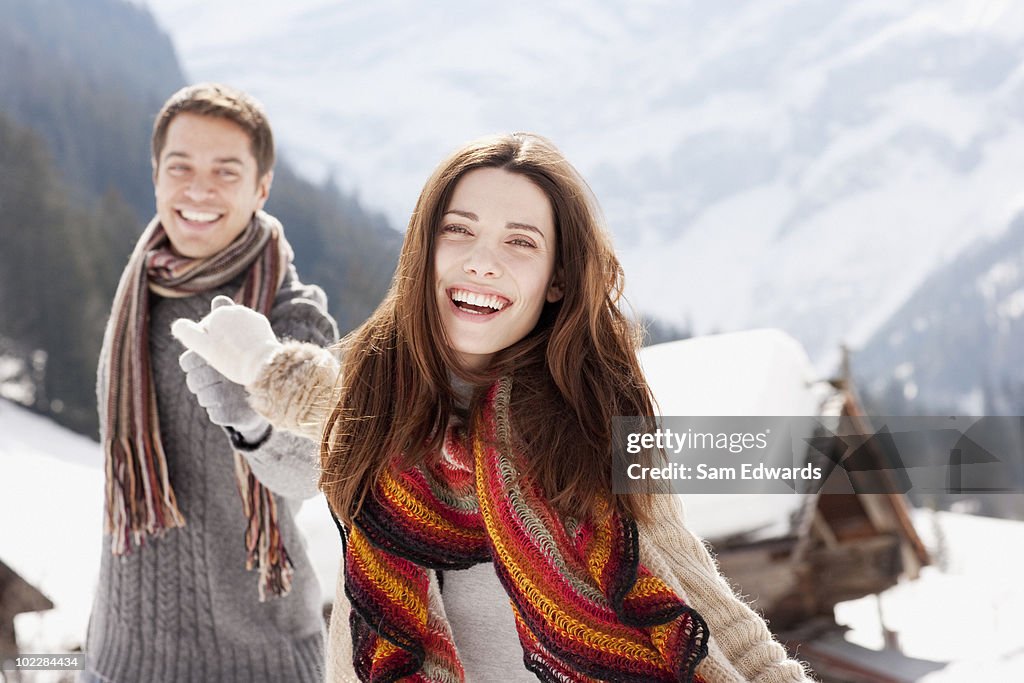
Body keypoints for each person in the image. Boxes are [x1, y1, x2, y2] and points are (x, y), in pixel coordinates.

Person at [174, 133, 815, 682]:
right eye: (459, 231)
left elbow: (699, 593)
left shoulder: (594, 426)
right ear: (425, 251)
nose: (482, 262)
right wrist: (262, 367)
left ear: (557, 280)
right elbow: (332, 409)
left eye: (520, 243)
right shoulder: (371, 412)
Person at [83, 83, 337, 683]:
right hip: (120, 655)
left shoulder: (293, 316)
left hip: (261, 660)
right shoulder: (138, 295)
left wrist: (252, 419)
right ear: (156, 176)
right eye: (181, 167)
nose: (199, 190)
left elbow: (318, 465)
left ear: (261, 187)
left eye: (226, 171)